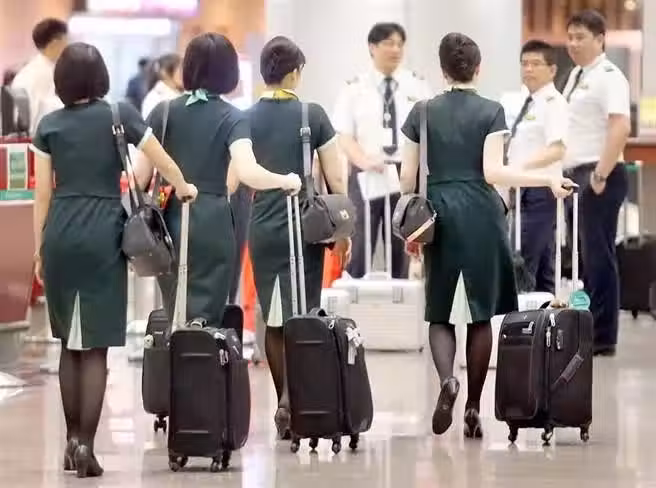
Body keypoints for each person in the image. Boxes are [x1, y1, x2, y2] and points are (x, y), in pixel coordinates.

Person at [30, 42, 198, 478]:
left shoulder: (48, 126)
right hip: (103, 231)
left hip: (61, 232)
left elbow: (42, 195)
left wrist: (39, 249)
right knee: (96, 346)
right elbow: (160, 158)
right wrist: (183, 186)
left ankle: (71, 442)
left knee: (68, 343)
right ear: (101, 77)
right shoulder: (118, 114)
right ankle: (87, 444)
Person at [399, 32, 574, 438]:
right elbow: (493, 172)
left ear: (442, 69)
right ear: (478, 69)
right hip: (482, 212)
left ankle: (448, 380)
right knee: (481, 314)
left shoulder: (420, 112)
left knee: (440, 311)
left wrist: (413, 219)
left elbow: (408, 178)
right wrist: (547, 179)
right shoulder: (492, 110)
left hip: (439, 213)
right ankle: (474, 408)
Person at [134, 33, 302, 331]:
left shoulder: (163, 112)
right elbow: (247, 171)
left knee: (175, 309)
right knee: (208, 317)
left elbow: (140, 175)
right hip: (213, 221)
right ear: (229, 72)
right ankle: (204, 354)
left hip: (169, 221)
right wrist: (285, 179)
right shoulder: (233, 117)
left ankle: (173, 356)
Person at [247, 36, 351, 439]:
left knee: (274, 315)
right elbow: (336, 176)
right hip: (304, 226)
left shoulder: (246, 118)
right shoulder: (313, 114)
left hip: (263, 223)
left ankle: (283, 400)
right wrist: (342, 233)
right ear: (294, 73)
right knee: (302, 314)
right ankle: (301, 403)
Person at [332, 22, 430, 279]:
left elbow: (427, 131)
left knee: (402, 247)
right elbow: (344, 135)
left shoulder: (417, 85)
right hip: (366, 172)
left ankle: (402, 298)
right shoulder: (354, 87)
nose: (395, 49)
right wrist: (363, 161)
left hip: (404, 173)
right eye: (388, 43)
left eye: (399, 44)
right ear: (372, 47)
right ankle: (354, 297)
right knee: (359, 244)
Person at [562, 10, 630, 357]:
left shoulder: (608, 76)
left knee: (599, 257)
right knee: (584, 259)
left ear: (600, 39)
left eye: (581, 37)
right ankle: (588, 328)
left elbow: (620, 126)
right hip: (576, 176)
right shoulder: (576, 75)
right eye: (570, 37)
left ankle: (603, 336)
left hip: (600, 175)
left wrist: (600, 175)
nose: (573, 44)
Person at [505, 40, 569, 294]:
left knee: (522, 262)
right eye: (524, 63)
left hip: (540, 192)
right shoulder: (527, 102)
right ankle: (545, 316)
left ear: (552, 70)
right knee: (542, 268)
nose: (528, 69)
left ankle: (519, 316)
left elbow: (557, 149)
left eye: (535, 64)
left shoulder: (554, 103)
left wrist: (518, 167)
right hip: (523, 190)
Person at [12, 18, 68, 134]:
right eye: (66, 40)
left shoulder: (39, 68)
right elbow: (40, 115)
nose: (68, 46)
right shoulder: (40, 74)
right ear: (55, 43)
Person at [141, 53, 183, 118]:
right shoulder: (156, 98)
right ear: (165, 73)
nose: (184, 74)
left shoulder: (178, 94)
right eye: (180, 71)